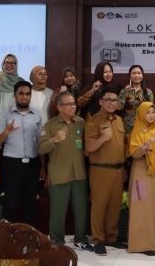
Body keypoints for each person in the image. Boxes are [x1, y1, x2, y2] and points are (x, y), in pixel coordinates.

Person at [38, 91, 92, 251]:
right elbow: (41, 149)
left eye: (74, 104)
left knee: (81, 210)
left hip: (79, 173)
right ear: (60, 106)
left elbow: (85, 144)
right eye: (69, 104)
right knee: (58, 212)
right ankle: (56, 242)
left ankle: (81, 239)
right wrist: (53, 140)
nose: (73, 107)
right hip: (59, 174)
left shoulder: (81, 123)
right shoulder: (50, 125)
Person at [0, 81, 43, 227]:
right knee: (10, 203)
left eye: (28, 94)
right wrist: (6, 132)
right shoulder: (5, 113)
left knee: (31, 203)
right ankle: (8, 241)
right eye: (21, 94)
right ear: (15, 95)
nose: (24, 97)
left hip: (33, 165)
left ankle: (29, 240)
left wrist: (43, 166)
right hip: (11, 165)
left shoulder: (37, 114)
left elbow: (41, 142)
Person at [85, 89, 126, 255]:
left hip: (118, 169)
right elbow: (88, 148)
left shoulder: (119, 120)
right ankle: (98, 240)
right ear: (100, 102)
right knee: (99, 206)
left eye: (114, 100)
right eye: (107, 100)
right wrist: (102, 138)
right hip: (100, 169)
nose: (111, 103)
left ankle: (111, 237)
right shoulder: (93, 121)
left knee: (115, 206)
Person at [127, 102, 155, 256]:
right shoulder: (137, 130)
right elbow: (133, 152)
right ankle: (141, 244)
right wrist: (141, 149)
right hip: (141, 172)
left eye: (153, 112)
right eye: (148, 112)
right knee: (141, 207)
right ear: (141, 114)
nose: (151, 115)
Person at [0, 54, 24, 134]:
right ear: (2, 64)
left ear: (16, 65)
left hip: (14, 114)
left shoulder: (21, 81)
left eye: (13, 63)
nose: (9, 65)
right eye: (6, 63)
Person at [119, 65, 155, 139]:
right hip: (128, 128)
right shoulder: (124, 91)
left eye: (139, 73)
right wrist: (125, 93)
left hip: (144, 128)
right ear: (130, 76)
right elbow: (119, 107)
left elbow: (151, 111)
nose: (136, 75)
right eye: (134, 73)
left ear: (142, 75)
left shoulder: (148, 92)